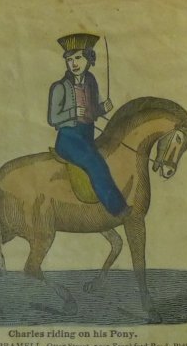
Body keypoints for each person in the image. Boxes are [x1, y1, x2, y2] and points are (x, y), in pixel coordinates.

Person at [47, 32, 129, 215]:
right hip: (69, 139)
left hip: (87, 136)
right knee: (96, 163)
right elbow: (52, 118)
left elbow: (91, 111)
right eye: (69, 60)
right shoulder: (60, 87)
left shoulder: (91, 82)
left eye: (78, 58)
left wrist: (102, 108)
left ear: (88, 58)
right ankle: (118, 210)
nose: (74, 64)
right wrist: (72, 113)